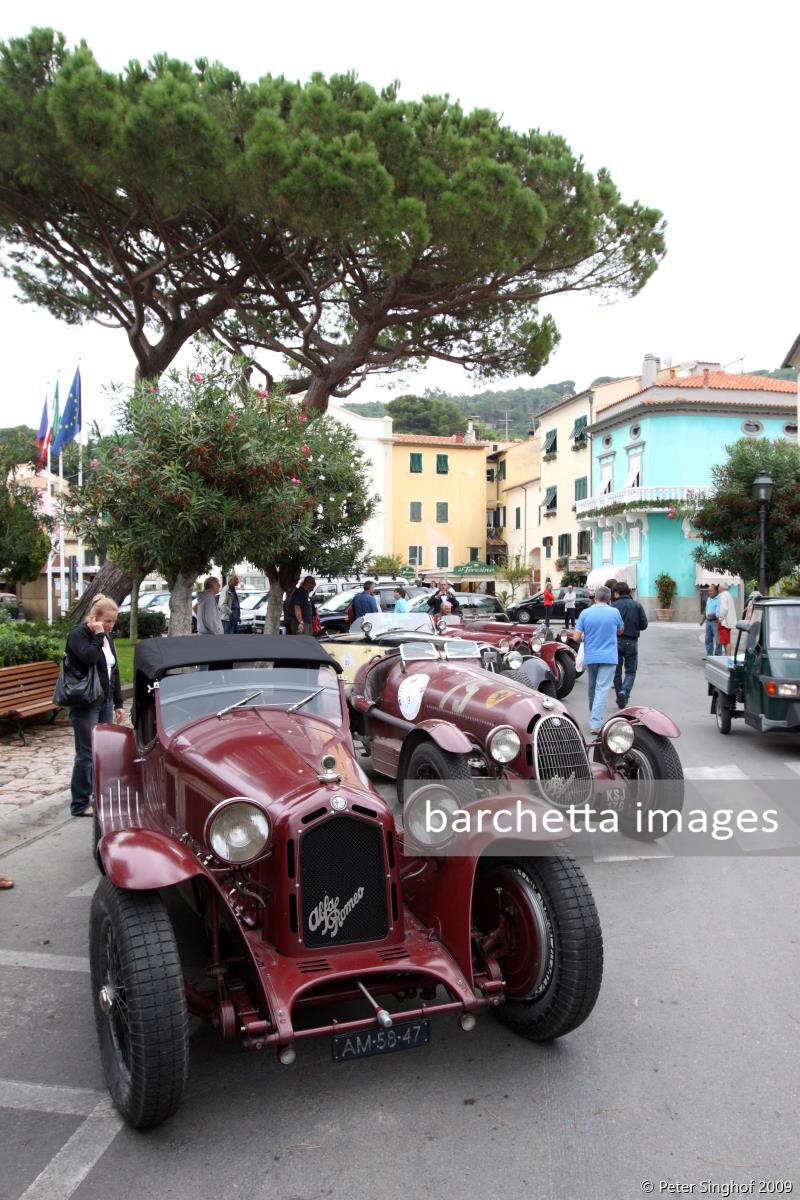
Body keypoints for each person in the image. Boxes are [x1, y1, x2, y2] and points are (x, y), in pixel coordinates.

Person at [66, 594, 125, 818]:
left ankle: (98, 796)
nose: (110, 625)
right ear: (95, 617)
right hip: (85, 702)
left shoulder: (107, 638)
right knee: (86, 753)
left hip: (104, 700)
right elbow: (89, 658)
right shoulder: (79, 634)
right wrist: (98, 635)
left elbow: (113, 670)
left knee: (103, 752)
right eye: (107, 621)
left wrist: (118, 702)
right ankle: (80, 803)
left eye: (113, 621)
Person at [570, 585, 623, 733]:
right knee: (602, 688)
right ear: (609, 598)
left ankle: (594, 715)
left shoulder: (585, 613)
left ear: (595, 597)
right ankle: (596, 722)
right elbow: (620, 630)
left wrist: (587, 638)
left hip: (591, 656)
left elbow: (576, 637)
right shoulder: (615, 612)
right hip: (609, 656)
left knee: (592, 687)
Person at [612, 581, 648, 706]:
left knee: (616, 671)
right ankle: (624, 692)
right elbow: (644, 625)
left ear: (617, 593)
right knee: (631, 671)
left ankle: (619, 696)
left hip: (615, 640)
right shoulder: (637, 605)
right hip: (632, 641)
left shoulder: (613, 606)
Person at [700, 584, 720, 656]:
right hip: (708, 622)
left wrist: (715, 615)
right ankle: (709, 655)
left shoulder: (719, 599)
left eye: (711, 591)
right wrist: (702, 620)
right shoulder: (708, 599)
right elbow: (706, 610)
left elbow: (721, 611)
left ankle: (718, 656)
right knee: (708, 640)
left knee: (718, 641)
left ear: (716, 591)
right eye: (709, 591)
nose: (709, 592)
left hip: (716, 622)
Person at [716, 583, 737, 652]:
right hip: (728, 621)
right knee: (727, 640)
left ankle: (727, 656)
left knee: (725, 641)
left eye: (719, 587)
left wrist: (721, 619)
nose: (718, 589)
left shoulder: (722, 595)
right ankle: (728, 655)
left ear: (721, 588)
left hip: (724, 622)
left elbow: (723, 609)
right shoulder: (728, 594)